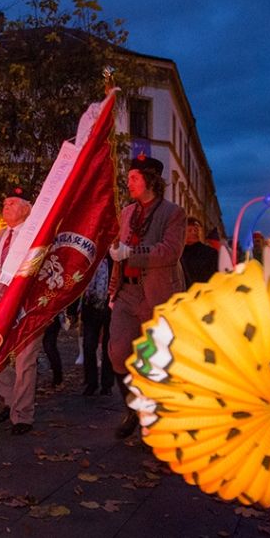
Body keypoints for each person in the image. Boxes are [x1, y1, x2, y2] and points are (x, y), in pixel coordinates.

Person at [109, 154, 186, 439]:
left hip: (158, 295)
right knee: (118, 353)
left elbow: (169, 252)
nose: (128, 182)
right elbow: (118, 255)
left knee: (156, 360)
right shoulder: (127, 212)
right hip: (127, 293)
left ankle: (154, 420)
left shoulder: (173, 213)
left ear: (150, 181)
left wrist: (131, 253)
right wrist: (112, 289)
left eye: (134, 178)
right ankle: (133, 408)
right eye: (128, 177)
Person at [0, 186, 39, 435]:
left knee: (25, 360)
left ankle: (23, 414)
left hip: (28, 308)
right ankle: (11, 398)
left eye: (13, 203)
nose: (6, 206)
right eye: (5, 203)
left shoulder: (38, 237)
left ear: (27, 209)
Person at [80, 256, 114, 397]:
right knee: (88, 346)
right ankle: (91, 382)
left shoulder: (115, 260)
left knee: (108, 347)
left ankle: (107, 384)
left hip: (110, 307)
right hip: (90, 305)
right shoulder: (90, 258)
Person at [181, 217, 218, 286]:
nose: (194, 232)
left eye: (196, 230)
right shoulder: (178, 254)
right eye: (190, 230)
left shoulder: (211, 253)